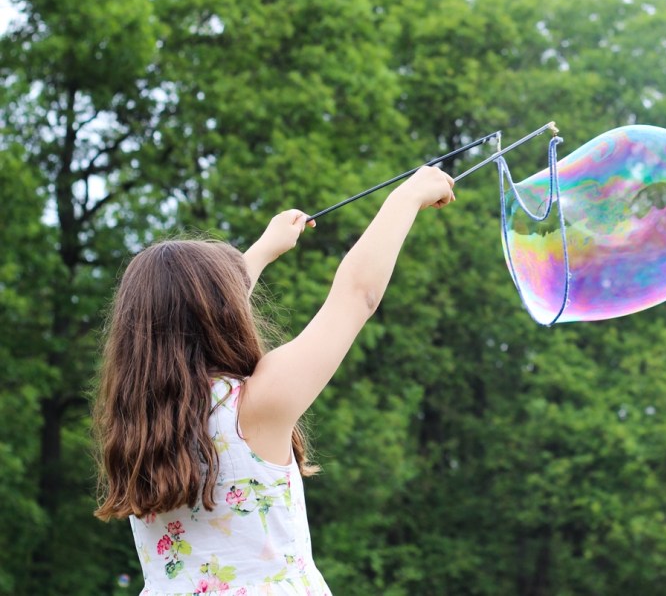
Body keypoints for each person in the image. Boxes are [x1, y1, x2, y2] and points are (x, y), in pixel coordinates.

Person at [93, 166, 456, 595]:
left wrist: (263, 250)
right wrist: (407, 195)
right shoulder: (255, 405)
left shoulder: (139, 425)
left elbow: (190, 317)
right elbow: (358, 293)